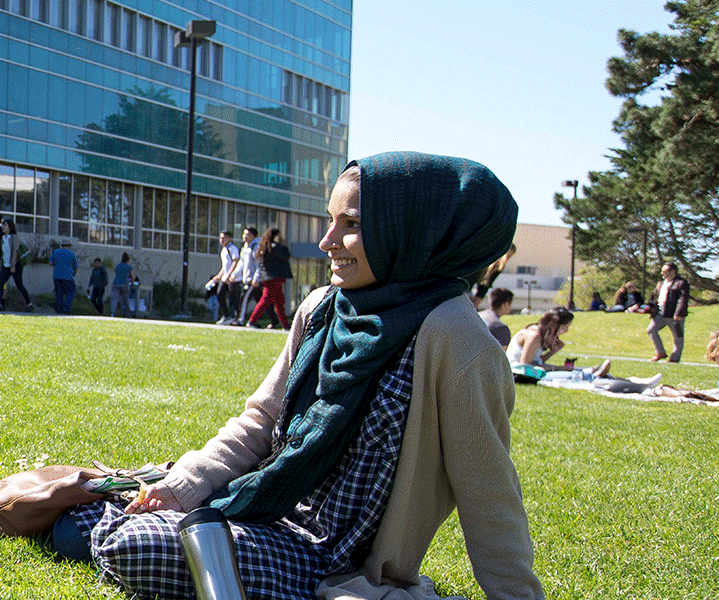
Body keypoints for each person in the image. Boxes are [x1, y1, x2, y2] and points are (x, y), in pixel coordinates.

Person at [46, 153, 543, 600]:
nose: (328, 241)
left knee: (132, 545)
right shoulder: (324, 308)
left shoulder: (457, 338)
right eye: (330, 220)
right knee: (81, 521)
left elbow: (490, 493)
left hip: (328, 557)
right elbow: (260, 422)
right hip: (266, 504)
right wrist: (186, 484)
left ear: (408, 230)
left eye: (351, 224)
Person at [508, 308, 662, 392]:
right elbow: (525, 366)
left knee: (583, 373)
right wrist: (560, 368)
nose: (565, 331)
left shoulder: (539, 335)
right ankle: (639, 386)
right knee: (579, 374)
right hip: (520, 375)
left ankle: (635, 382)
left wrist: (553, 352)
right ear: (555, 325)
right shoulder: (534, 335)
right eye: (564, 327)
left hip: (532, 372)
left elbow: (536, 362)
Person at [246, 228, 292, 329]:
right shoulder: (275, 247)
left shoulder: (265, 247)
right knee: (267, 300)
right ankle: (252, 321)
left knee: (277, 301)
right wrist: (282, 242)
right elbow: (286, 255)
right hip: (274, 278)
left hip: (268, 278)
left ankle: (285, 324)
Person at [649, 262, 690, 362]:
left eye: (664, 271)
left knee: (678, 337)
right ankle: (660, 352)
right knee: (651, 330)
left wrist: (679, 313)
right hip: (661, 313)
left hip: (674, 315)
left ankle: (674, 359)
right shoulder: (662, 283)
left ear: (673, 271)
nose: (662, 273)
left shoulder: (681, 283)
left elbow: (683, 299)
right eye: (662, 271)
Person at [0, 220, 35, 311]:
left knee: (19, 285)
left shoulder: (14, 237)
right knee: (0, 284)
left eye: (5, 225)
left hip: (15, 266)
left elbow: (15, 251)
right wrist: (1, 265)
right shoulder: (3, 238)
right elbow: (3, 253)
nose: (2, 226)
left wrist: (13, 265)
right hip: (6, 266)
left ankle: (29, 304)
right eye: (2, 225)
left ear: (10, 227)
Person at [213, 229, 244, 325]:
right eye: (220, 238)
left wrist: (229, 274)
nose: (222, 240)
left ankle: (235, 318)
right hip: (225, 278)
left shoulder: (232, 248)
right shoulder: (224, 250)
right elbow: (225, 265)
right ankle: (226, 316)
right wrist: (219, 275)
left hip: (233, 278)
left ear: (229, 238)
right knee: (220, 295)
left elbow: (235, 261)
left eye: (224, 238)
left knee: (233, 299)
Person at [50, 241, 79, 314]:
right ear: (69, 245)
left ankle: (59, 309)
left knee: (59, 293)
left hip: (57, 275)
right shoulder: (72, 253)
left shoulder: (56, 252)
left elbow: (50, 262)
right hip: (68, 276)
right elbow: (75, 266)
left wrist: (57, 265)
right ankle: (67, 308)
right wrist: (74, 274)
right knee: (70, 292)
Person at [109, 252, 134, 317]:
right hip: (124, 284)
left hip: (116, 283)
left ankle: (112, 313)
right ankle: (127, 314)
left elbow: (116, 272)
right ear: (128, 260)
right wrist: (133, 283)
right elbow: (132, 276)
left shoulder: (117, 266)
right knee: (126, 299)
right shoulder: (129, 266)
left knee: (114, 299)